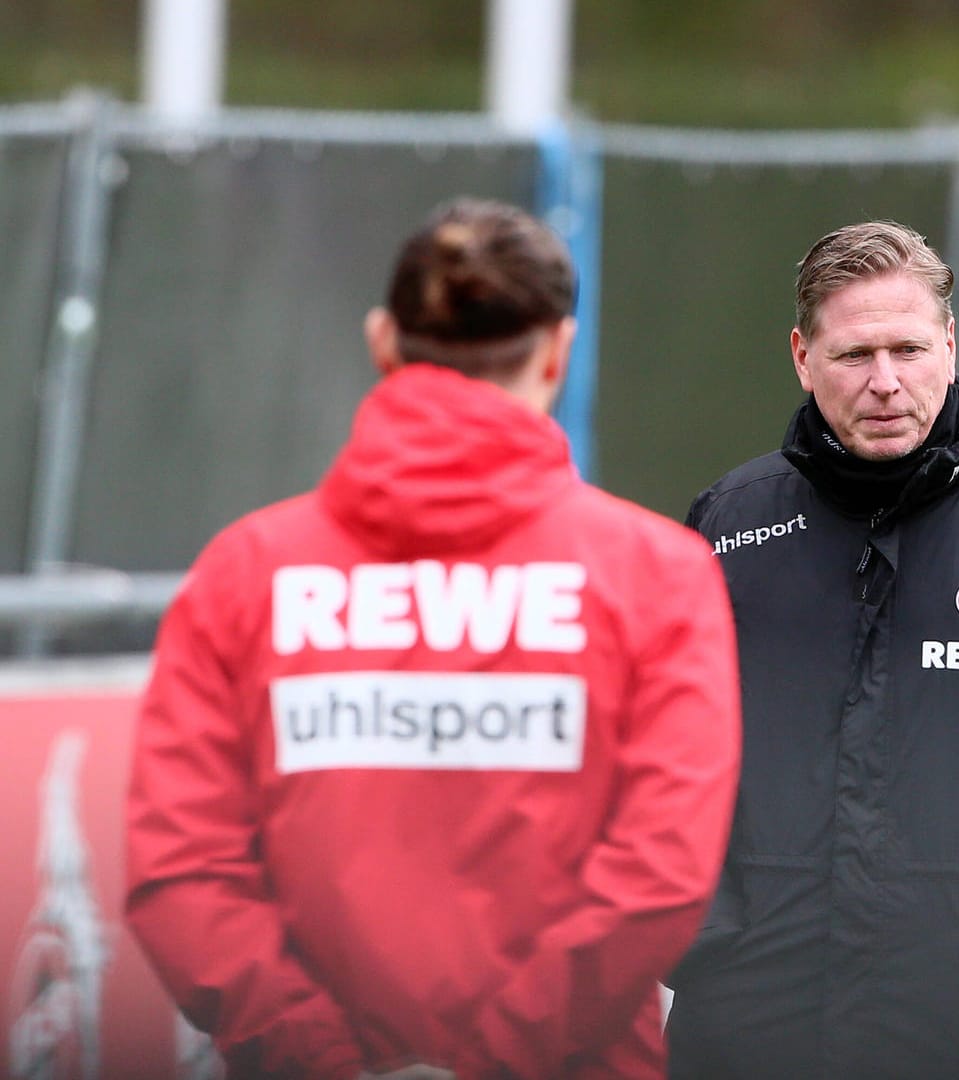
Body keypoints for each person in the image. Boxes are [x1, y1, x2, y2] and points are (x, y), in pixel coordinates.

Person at [124, 198, 742, 1080]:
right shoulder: (657, 574)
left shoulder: (248, 571)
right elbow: (661, 878)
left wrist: (322, 1059)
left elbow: (183, 873)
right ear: (560, 353)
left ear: (383, 340)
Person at [664, 220, 959, 1079]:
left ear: (951, 345)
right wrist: (701, 940)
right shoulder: (727, 527)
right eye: (854, 356)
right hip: (747, 1031)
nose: (885, 383)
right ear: (802, 356)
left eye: (909, 349)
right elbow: (653, 761)